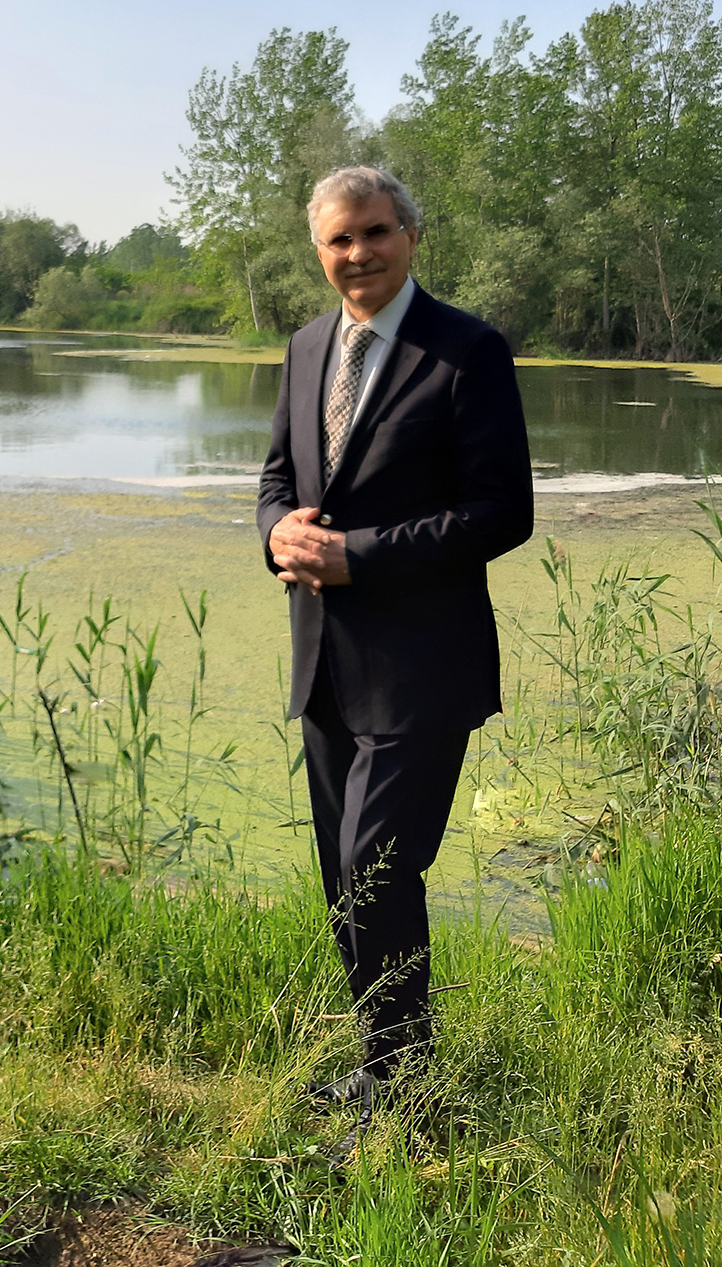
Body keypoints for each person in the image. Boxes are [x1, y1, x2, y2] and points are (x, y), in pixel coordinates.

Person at [256, 165, 533, 1128]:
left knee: (378, 862)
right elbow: (277, 477)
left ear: (411, 236)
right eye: (339, 240)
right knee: (343, 875)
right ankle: (389, 1066)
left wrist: (355, 558)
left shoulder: (466, 350)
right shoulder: (302, 348)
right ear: (318, 251)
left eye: (375, 233)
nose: (358, 254)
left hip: (422, 666)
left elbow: (504, 513)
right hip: (324, 661)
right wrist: (278, 534)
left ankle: (408, 1089)